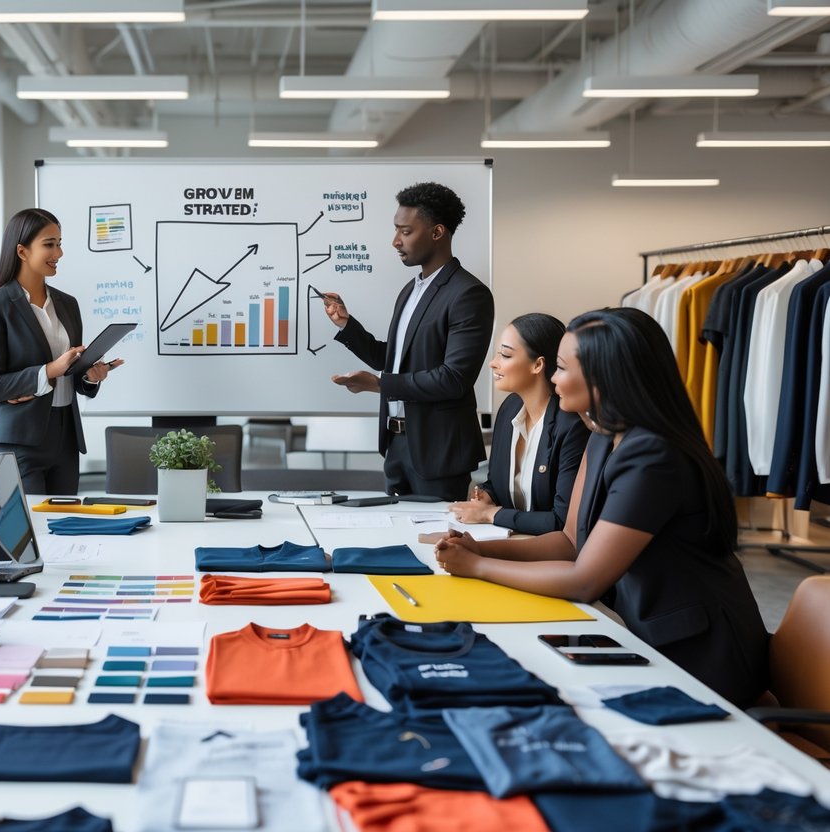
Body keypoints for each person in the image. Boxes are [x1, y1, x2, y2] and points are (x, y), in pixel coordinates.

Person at [435, 308, 769, 707]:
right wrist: (478, 548)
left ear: (604, 377)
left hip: (699, 656)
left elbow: (584, 580)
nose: (553, 378)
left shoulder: (653, 455)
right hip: (643, 633)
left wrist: (477, 567)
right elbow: (567, 542)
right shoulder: (602, 436)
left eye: (560, 368)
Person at [323, 182, 494, 500]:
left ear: (437, 232)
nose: (395, 241)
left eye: (405, 231)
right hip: (397, 444)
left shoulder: (468, 294)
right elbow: (396, 359)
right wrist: (348, 326)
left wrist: (379, 384)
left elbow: (454, 379)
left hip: (438, 452)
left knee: (435, 544)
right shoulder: (411, 290)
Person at [0, 208, 121, 495]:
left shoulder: (68, 304)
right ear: (22, 251)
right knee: (26, 534)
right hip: (18, 442)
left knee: (63, 530)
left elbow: (73, 376)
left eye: (60, 243)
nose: (59, 252)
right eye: (49, 244)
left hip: (65, 439)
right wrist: (50, 370)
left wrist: (90, 376)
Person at [450, 313, 589, 534]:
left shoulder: (571, 426)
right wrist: (487, 496)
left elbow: (561, 522)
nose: (493, 363)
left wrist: (490, 514)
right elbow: (495, 483)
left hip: (547, 554)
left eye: (505, 355)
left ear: (538, 365)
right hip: (507, 539)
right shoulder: (509, 409)